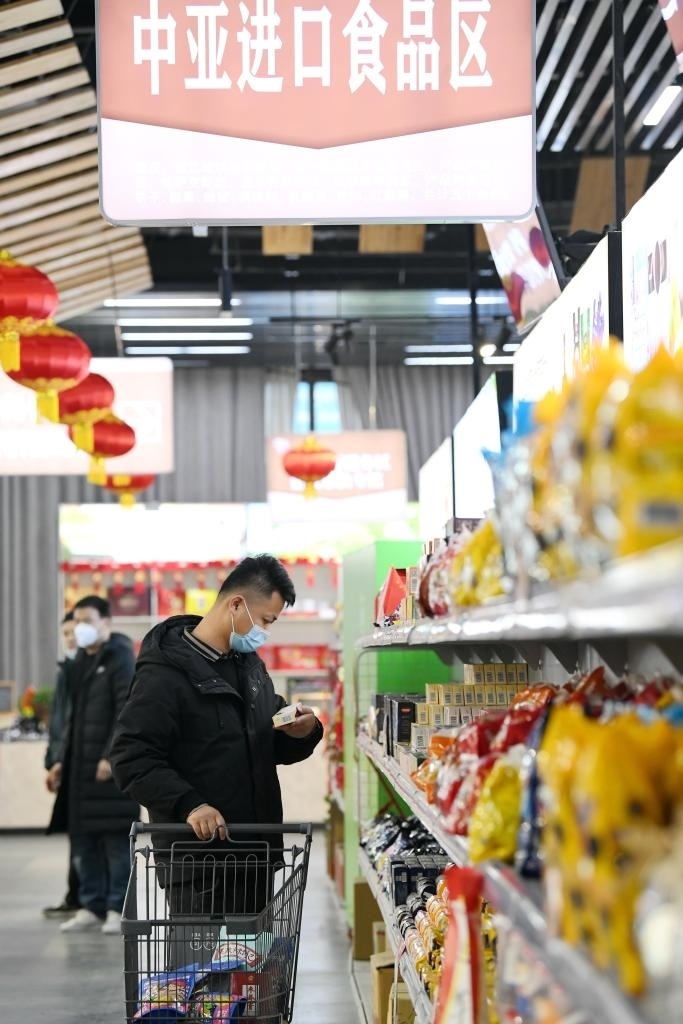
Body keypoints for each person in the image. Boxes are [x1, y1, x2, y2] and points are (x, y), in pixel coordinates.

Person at [110, 555, 324, 964]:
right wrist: (189, 803)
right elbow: (130, 754)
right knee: (201, 984)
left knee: (245, 983)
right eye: (266, 620)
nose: (264, 632)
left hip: (253, 856)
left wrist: (303, 732)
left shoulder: (248, 665)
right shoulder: (165, 673)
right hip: (200, 867)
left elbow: (265, 736)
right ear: (236, 605)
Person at [46, 595, 138, 935]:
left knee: (115, 842)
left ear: (107, 623)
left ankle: (117, 907)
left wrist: (109, 755)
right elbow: (69, 718)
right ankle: (90, 904)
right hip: (78, 769)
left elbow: (124, 712)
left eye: (88, 620)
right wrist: (59, 760)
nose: (81, 628)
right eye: (77, 621)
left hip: (108, 769)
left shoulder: (120, 659)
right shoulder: (79, 663)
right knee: (83, 842)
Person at [43, 611, 81, 918]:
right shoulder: (65, 671)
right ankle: (75, 894)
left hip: (80, 762)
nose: (70, 638)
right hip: (65, 761)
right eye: (65, 632)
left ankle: (82, 896)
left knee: (86, 834)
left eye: (74, 631)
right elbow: (59, 723)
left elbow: (72, 723)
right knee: (76, 833)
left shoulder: (84, 672)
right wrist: (54, 760)